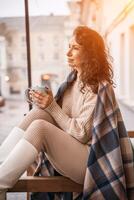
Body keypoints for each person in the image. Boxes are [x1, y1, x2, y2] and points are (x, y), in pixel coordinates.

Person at [0, 26, 133, 200]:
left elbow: (81, 134)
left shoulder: (99, 87)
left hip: (92, 160)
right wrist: (45, 103)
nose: (68, 52)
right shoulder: (72, 81)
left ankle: (1, 185)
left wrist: (52, 106)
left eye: (75, 48)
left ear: (90, 54)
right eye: (69, 46)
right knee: (38, 114)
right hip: (73, 150)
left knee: (40, 127)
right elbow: (58, 118)